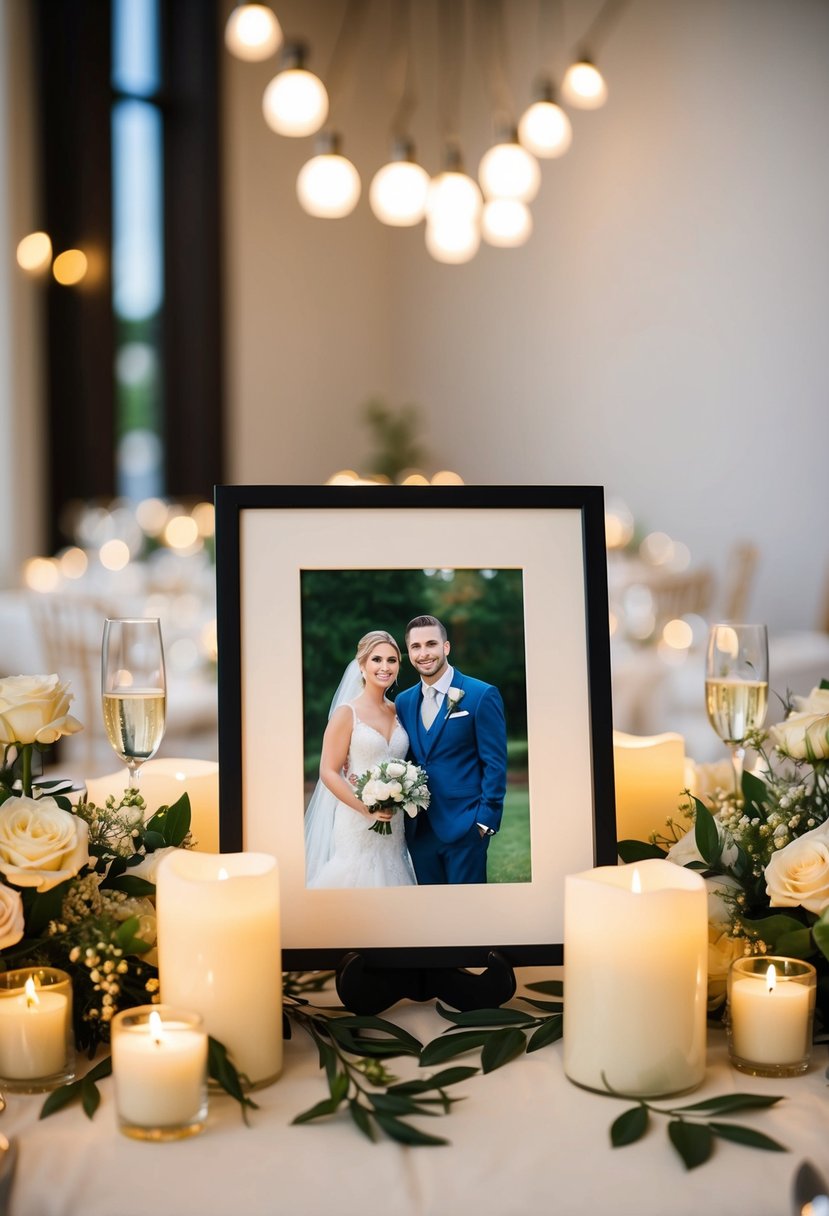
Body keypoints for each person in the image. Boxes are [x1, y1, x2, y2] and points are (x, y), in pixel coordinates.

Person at [394, 614, 508, 884]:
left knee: (468, 915)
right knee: (431, 915)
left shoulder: (481, 695)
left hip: (466, 826)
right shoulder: (403, 701)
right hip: (418, 829)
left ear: (446, 647)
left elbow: (495, 763)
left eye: (431, 644)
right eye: (416, 647)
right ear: (408, 653)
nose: (424, 653)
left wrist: (483, 822)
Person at [304, 630, 417, 888]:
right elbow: (328, 771)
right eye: (377, 659)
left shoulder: (398, 709)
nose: (385, 667)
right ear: (362, 665)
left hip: (395, 822)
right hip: (357, 819)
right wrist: (367, 808)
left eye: (392, 660)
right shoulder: (347, 713)